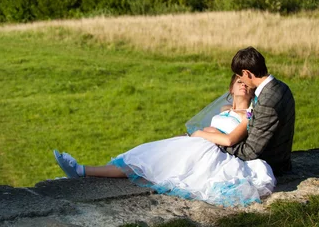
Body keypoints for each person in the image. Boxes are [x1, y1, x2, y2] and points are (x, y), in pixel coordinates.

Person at [54, 74, 276, 206]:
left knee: (149, 163)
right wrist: (196, 136)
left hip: (210, 152)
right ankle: (82, 170)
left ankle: (82, 170)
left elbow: (229, 140)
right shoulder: (224, 108)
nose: (243, 84)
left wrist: (199, 134)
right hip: (196, 144)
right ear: (231, 87)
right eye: (238, 81)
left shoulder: (249, 115)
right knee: (142, 156)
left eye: (247, 82)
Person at [224, 46, 295, 175]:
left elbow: (249, 153)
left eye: (240, 76)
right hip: (281, 158)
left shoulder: (267, 102)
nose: (243, 83)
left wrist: (218, 145)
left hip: (269, 166)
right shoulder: (283, 87)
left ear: (246, 73)